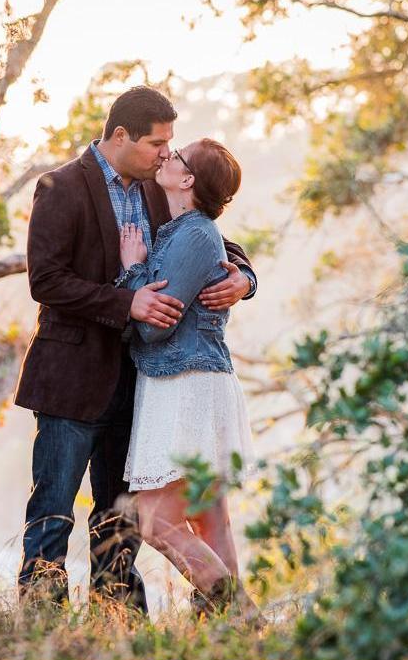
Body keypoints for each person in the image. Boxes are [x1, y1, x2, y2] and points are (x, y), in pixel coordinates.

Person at [14, 86, 257, 611]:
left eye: (170, 145)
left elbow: (212, 237)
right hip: (71, 381)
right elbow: (47, 280)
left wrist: (245, 278)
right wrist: (128, 305)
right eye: (157, 144)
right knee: (53, 509)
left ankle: (120, 620)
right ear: (119, 136)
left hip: (139, 385)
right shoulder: (60, 187)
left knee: (118, 517)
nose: (165, 154)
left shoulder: (156, 187)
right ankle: (40, 623)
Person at [116, 137, 257, 616]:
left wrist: (133, 271)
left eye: (177, 155)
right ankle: (234, 635)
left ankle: (235, 609)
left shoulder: (195, 233)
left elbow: (155, 329)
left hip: (186, 382)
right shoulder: (182, 226)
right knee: (210, 516)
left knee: (154, 520)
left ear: (189, 178)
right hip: (191, 377)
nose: (167, 156)